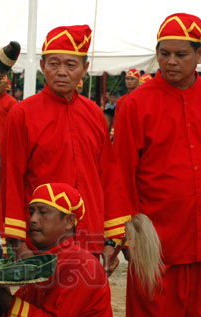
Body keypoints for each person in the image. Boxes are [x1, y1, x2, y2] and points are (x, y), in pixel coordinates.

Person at [1, 24, 133, 274]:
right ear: (42, 66)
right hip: (42, 243)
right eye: (54, 64)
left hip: (90, 237)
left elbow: (109, 178)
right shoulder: (22, 114)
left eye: (71, 65)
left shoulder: (95, 113)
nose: (61, 72)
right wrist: (19, 244)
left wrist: (110, 241)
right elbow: (11, 178)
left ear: (85, 68)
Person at [113, 13, 201, 316]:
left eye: (181, 54)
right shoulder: (135, 104)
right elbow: (121, 171)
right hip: (157, 240)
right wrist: (126, 234)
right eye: (164, 54)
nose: (172, 61)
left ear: (199, 54)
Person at [0, 183, 113, 316]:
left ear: (69, 221)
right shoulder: (42, 261)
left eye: (43, 212)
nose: (32, 219)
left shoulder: (82, 265)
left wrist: (1, 296)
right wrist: (1, 291)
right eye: (31, 212)